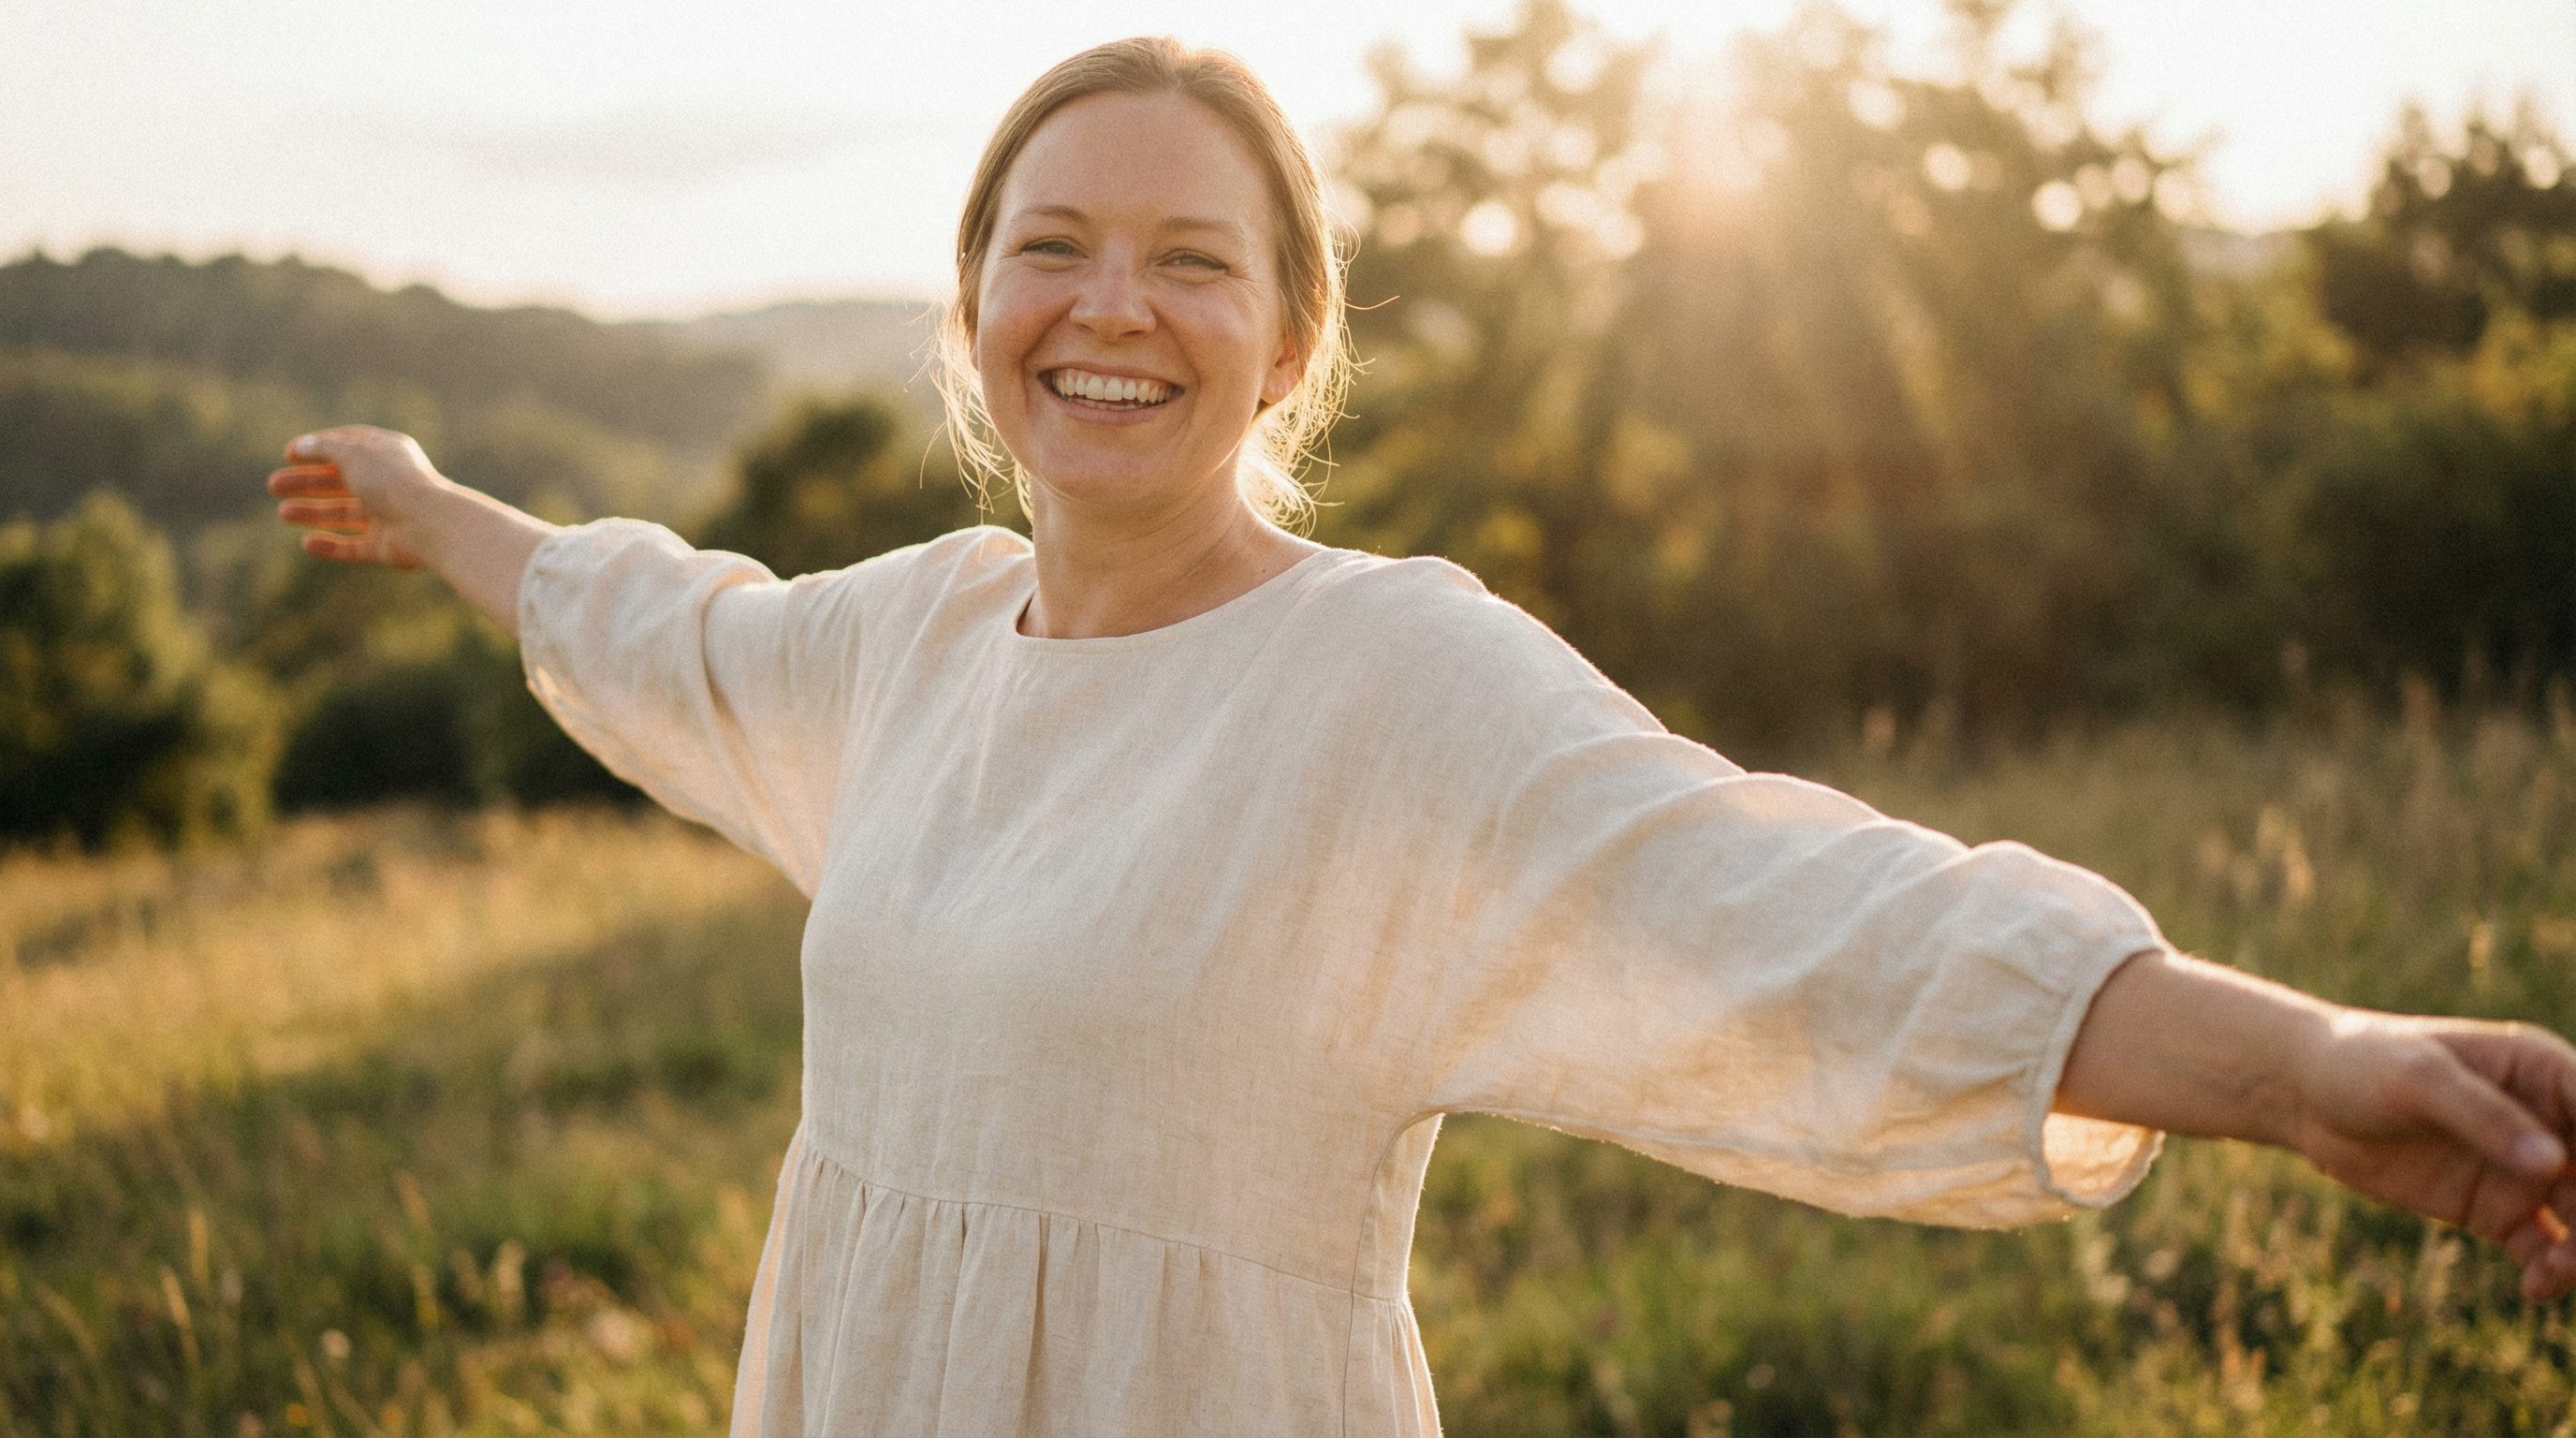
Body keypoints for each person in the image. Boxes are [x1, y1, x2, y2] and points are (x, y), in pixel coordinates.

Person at [270, 36, 2576, 1438]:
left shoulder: (1384, 682)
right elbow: (668, 630)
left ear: (1287, 343)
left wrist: (2300, 1065)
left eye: (1191, 259)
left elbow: (1799, 910)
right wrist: (440, 507)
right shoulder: (910, 640)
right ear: (970, 311)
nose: (1108, 306)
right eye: (1050, 246)